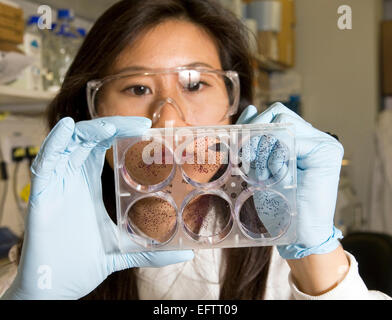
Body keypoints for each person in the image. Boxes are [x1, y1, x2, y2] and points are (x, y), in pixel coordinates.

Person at [1, 0, 390, 300]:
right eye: (137, 88)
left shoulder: (274, 247)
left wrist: (316, 258)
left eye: (195, 84)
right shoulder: (57, 249)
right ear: (91, 113)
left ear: (234, 105)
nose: (168, 122)